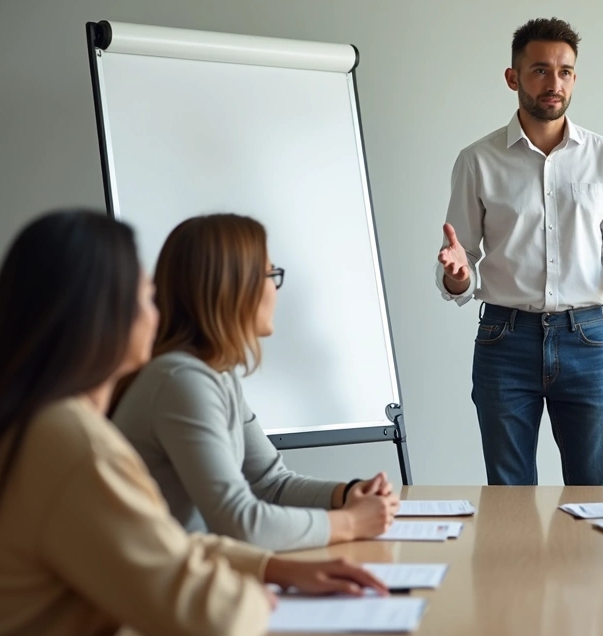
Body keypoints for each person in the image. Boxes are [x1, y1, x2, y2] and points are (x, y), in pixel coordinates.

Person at [0, 210, 386, 636]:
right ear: (104, 317)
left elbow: (161, 540)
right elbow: (212, 615)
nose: (157, 312)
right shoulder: (72, 440)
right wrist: (257, 596)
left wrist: (273, 568)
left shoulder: (39, 427)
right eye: (145, 296)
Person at [436, 17, 603, 486]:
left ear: (575, 78)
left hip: (585, 339)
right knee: (509, 499)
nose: (554, 82)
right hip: (504, 339)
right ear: (513, 78)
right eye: (540, 70)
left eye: (565, 72)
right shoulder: (477, 160)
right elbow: (461, 264)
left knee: (594, 498)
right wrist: (460, 275)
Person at [111, 213, 399, 552]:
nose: (275, 289)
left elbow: (268, 483)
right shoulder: (180, 382)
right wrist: (351, 522)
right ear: (233, 286)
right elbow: (240, 524)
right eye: (270, 274)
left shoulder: (216, 372)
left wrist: (347, 494)